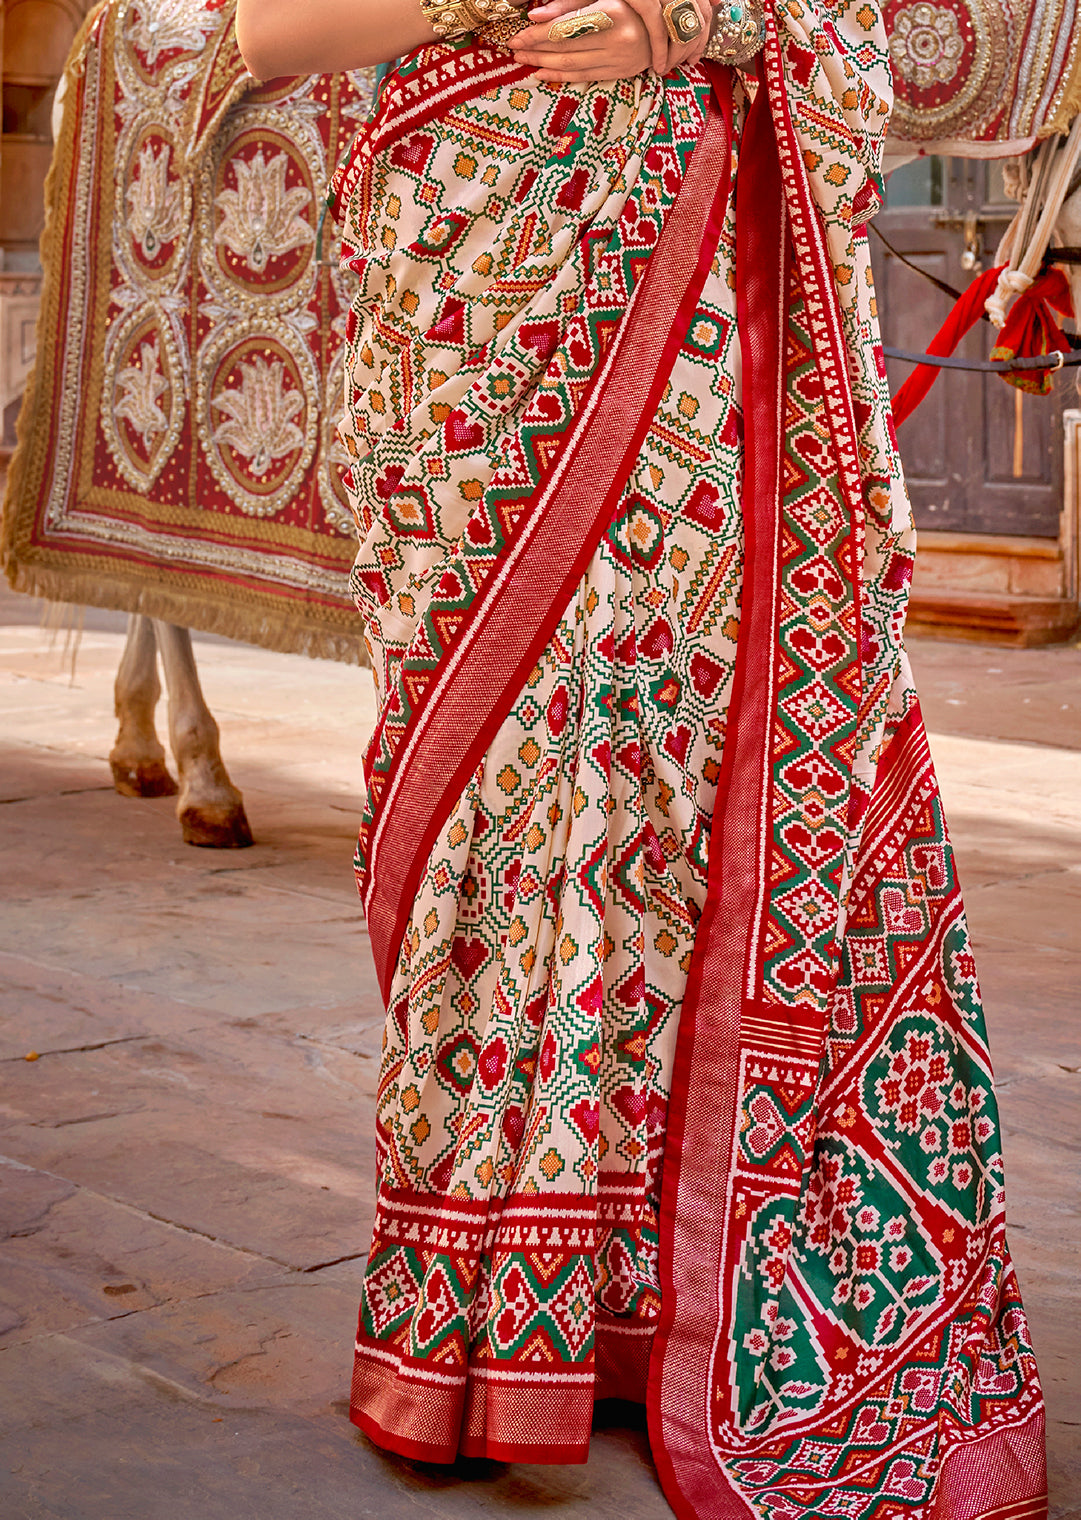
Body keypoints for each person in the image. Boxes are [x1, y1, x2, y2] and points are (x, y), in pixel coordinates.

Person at [236, 1, 1048, 1514]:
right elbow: (268, 33)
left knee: (665, 792)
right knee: (494, 791)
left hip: (699, 311)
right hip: (474, 315)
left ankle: (632, 1301)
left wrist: (693, 19)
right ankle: (477, 1318)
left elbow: (887, 23)